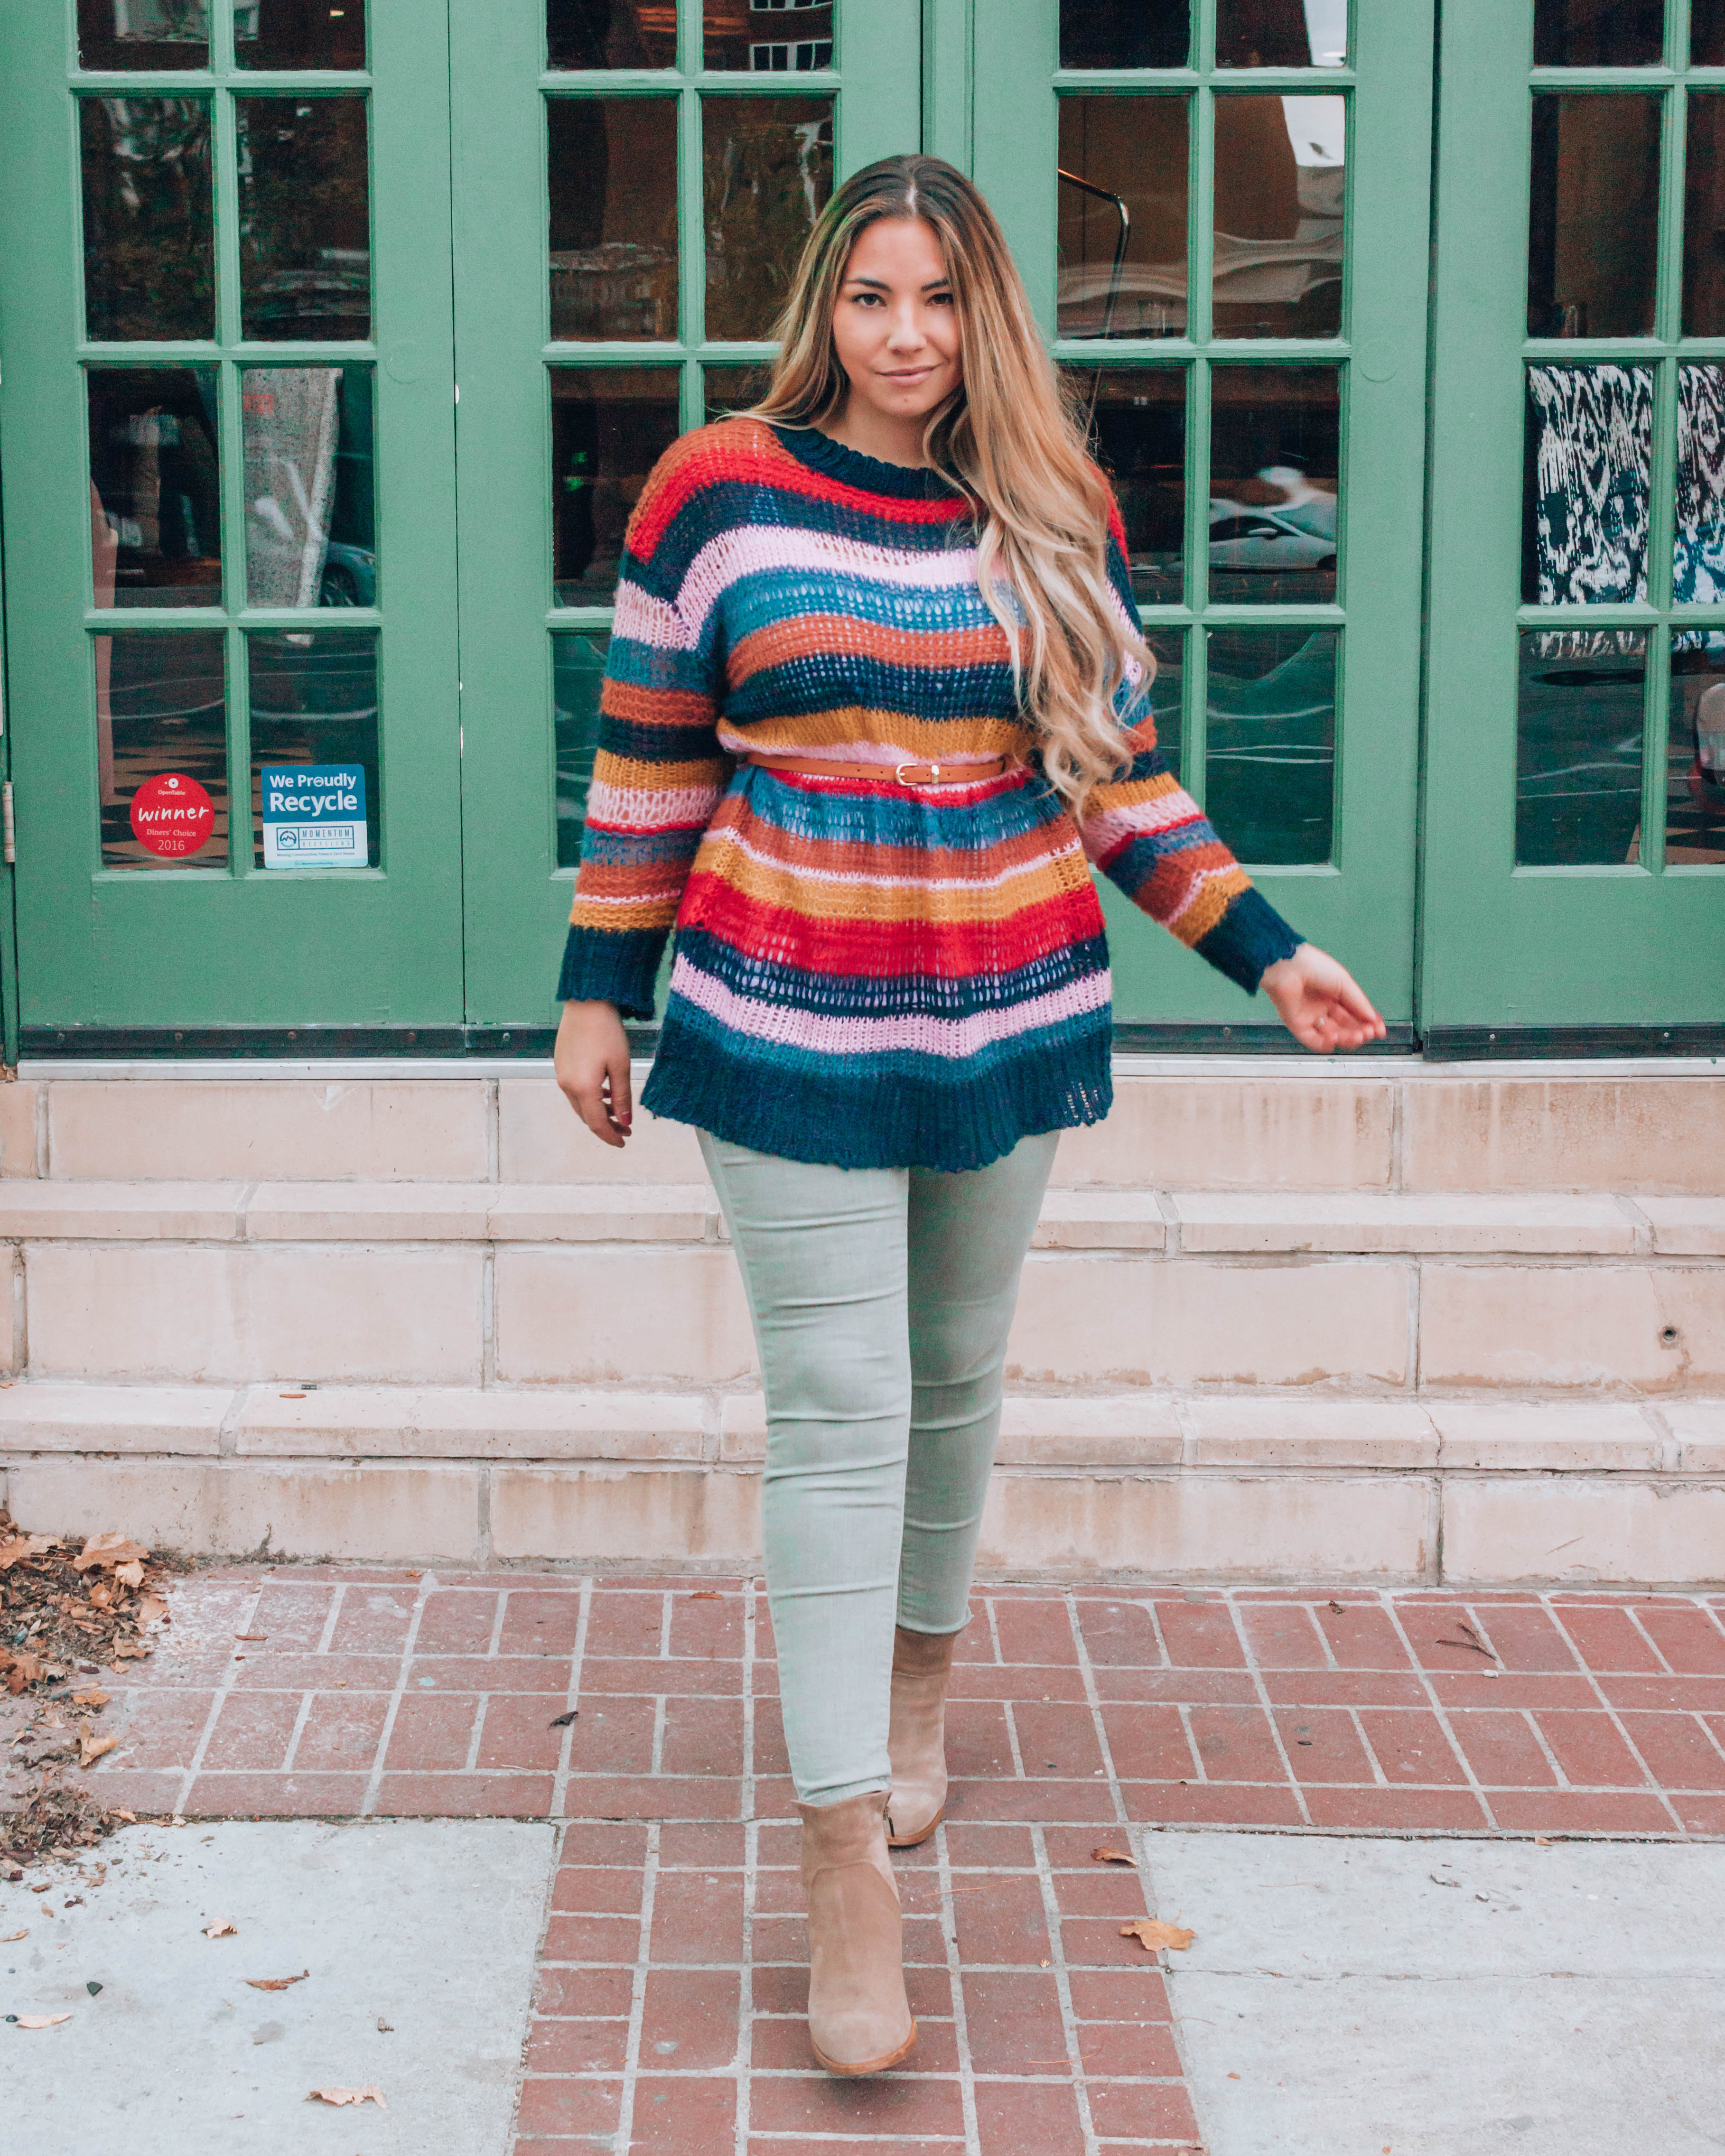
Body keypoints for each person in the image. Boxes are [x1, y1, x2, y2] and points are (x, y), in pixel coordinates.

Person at [553, 154, 1384, 2080]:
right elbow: (649, 752)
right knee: (838, 1407)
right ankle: (845, 1857)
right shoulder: (718, 484)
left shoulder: (1054, 502)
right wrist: (597, 986)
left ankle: (919, 1681)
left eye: (936, 298)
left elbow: (1120, 787)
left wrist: (1264, 947)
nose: (904, 334)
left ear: (982, 309)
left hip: (1010, 1011)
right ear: (825, 308)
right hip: (774, 1012)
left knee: (953, 1373)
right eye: (870, 297)